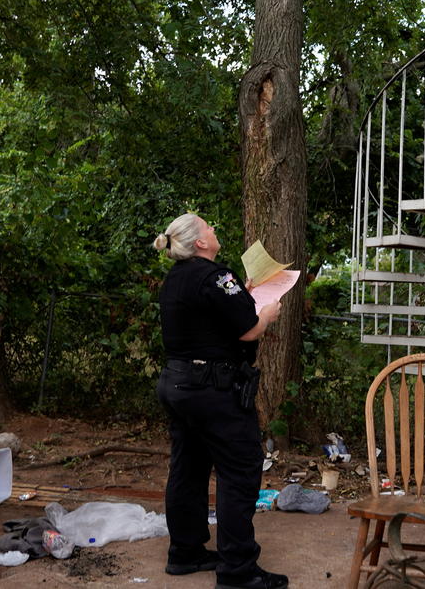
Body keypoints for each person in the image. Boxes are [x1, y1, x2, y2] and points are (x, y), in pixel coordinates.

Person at [153, 212, 287, 589]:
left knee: (189, 466)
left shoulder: (176, 278)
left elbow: (210, 319)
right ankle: (238, 570)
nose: (214, 229)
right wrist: (266, 313)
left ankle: (186, 551)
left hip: (177, 385)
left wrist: (240, 293)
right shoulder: (215, 276)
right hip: (212, 390)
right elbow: (248, 329)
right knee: (241, 469)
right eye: (208, 227)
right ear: (199, 242)